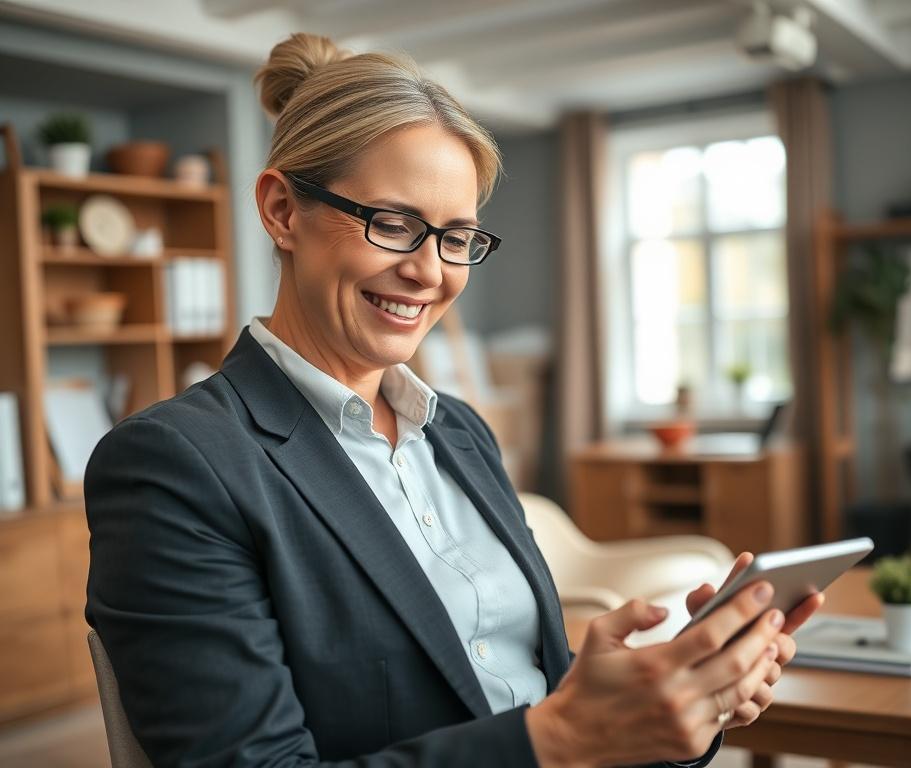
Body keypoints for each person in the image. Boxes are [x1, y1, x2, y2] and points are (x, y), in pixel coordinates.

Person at [84, 33, 823, 768]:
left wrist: (676, 707)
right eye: (395, 224)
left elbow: (533, 699)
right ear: (282, 211)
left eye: (458, 237)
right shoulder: (177, 465)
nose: (429, 271)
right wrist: (564, 735)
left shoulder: (460, 434)